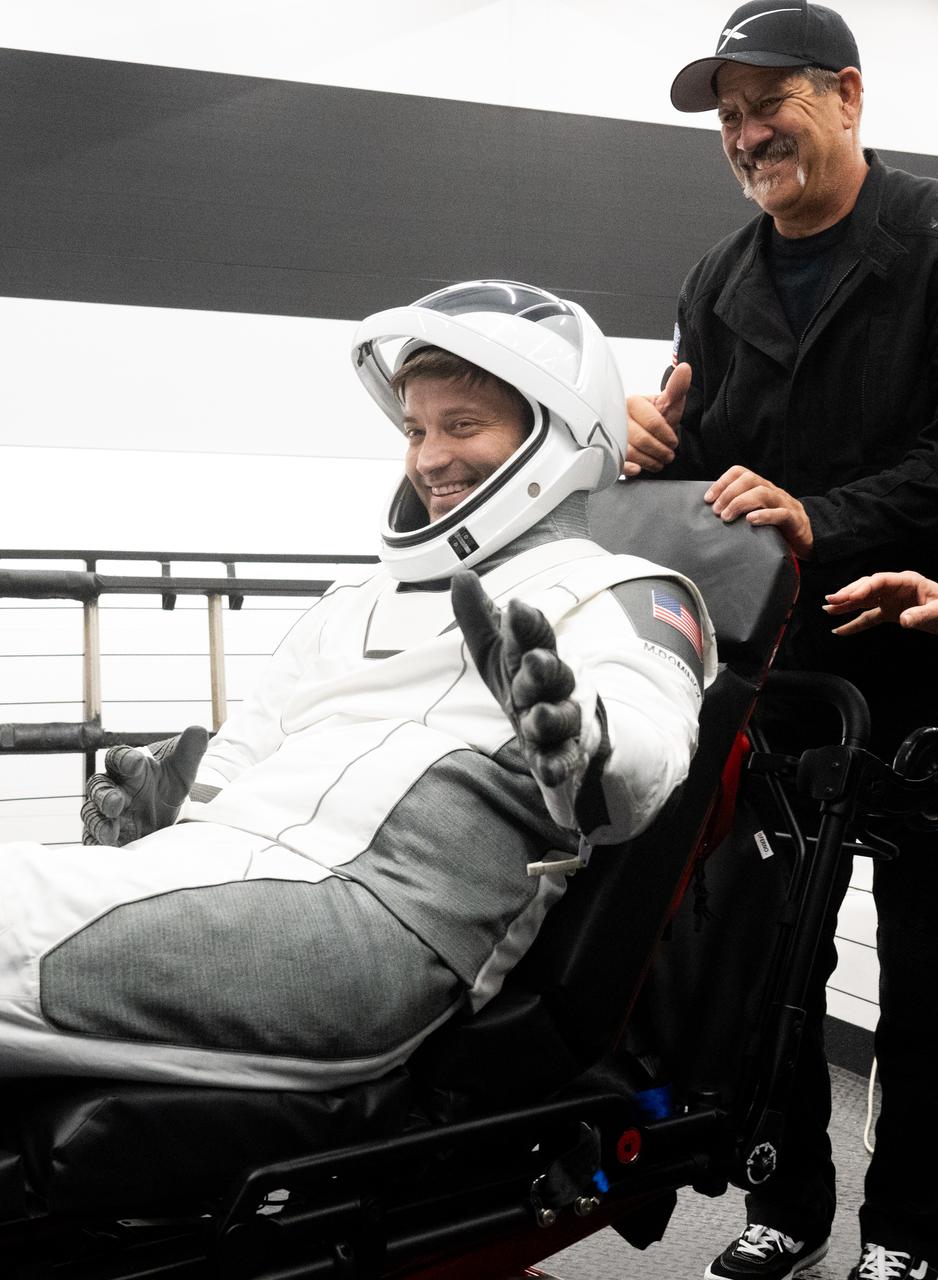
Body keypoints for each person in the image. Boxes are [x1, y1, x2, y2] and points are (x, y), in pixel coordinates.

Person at [1, 279, 714, 1095]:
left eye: (463, 425)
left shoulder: (631, 591)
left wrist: (583, 747)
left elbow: (647, 758)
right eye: (415, 429)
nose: (430, 456)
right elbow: (237, 761)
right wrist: (166, 813)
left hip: (371, 932)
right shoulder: (353, 600)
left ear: (557, 435)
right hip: (220, 880)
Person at [624, 4, 938, 1280]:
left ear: (848, 96)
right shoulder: (717, 278)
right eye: (727, 116)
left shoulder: (928, 244)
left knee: (923, 973)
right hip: (776, 672)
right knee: (768, 960)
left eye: (771, 104)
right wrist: (656, 452)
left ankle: (911, 1227)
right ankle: (784, 1199)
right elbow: (713, 473)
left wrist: (826, 516)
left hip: (919, 654)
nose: (746, 133)